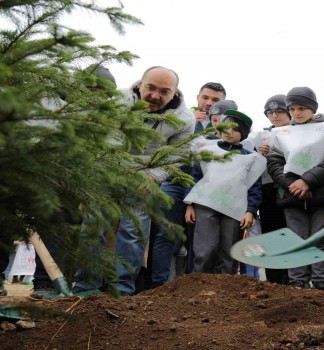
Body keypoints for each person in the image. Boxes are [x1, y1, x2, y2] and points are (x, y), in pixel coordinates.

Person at [74, 66, 196, 296]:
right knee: (94, 227)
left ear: (175, 93)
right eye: (150, 88)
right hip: (106, 170)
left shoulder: (184, 119)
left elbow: (178, 154)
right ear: (140, 84)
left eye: (164, 91)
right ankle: (85, 287)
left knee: (134, 232)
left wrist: (153, 176)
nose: (155, 96)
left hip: (144, 177)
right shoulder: (117, 101)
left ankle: (122, 289)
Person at [266, 86, 324, 290]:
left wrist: (307, 180)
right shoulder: (282, 133)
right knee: (296, 240)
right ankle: (297, 283)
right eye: (293, 108)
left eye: (302, 108)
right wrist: (292, 185)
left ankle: (321, 284)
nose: (297, 113)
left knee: (321, 240)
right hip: (292, 197)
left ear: (313, 108)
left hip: (322, 195)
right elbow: (274, 162)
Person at [184, 109, 264, 274]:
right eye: (226, 127)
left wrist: (250, 211)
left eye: (235, 129)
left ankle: (224, 292)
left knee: (229, 252)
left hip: (234, 209)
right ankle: (198, 286)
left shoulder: (252, 159)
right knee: (204, 249)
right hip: (205, 205)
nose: (229, 132)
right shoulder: (206, 152)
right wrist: (189, 204)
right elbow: (194, 178)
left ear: (243, 134)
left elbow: (254, 188)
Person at [252, 94, 291, 285]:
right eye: (270, 112)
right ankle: (275, 281)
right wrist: (258, 151)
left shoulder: (302, 131)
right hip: (268, 190)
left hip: (295, 189)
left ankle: (297, 279)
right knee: (271, 234)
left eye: (280, 111)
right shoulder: (262, 135)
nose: (275, 116)